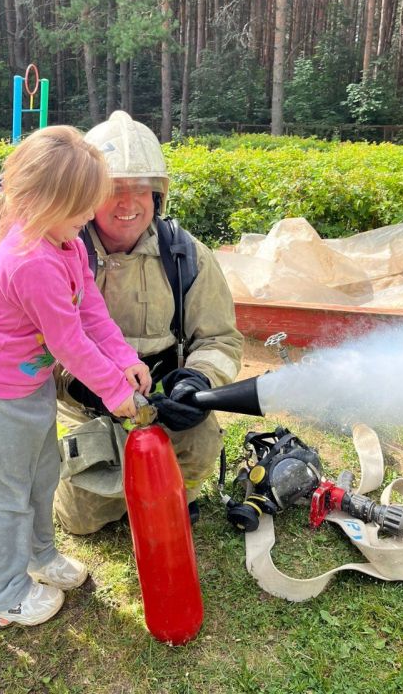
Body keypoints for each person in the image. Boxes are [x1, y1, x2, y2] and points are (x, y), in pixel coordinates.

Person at [0, 126, 151, 629]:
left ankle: (39, 556)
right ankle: (5, 594)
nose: (90, 217)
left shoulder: (66, 242)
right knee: (5, 500)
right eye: (83, 207)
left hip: (27, 388)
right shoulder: (31, 261)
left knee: (41, 479)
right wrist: (114, 390)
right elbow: (68, 343)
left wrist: (123, 357)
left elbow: (92, 312)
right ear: (46, 202)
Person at [54, 111, 243, 534]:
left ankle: (180, 497)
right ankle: (122, 499)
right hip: (87, 405)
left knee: (201, 442)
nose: (128, 203)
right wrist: (83, 382)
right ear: (86, 198)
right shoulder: (61, 254)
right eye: (113, 190)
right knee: (81, 519)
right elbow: (34, 350)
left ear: (158, 196)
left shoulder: (186, 254)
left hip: (163, 397)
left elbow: (221, 338)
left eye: (141, 189)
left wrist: (196, 381)